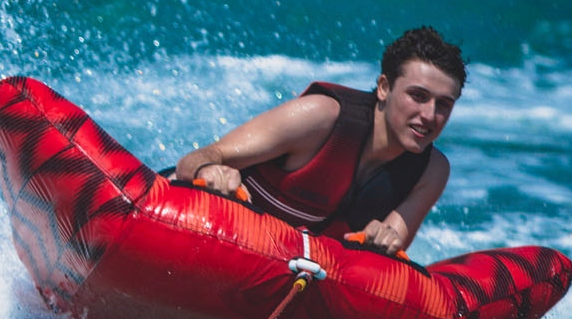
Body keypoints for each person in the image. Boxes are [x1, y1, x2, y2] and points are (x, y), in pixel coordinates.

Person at [168, 27, 464, 255]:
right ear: (384, 87)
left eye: (443, 104)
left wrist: (383, 239)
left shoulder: (431, 171)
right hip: (203, 229)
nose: (429, 115)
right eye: (418, 96)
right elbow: (197, 158)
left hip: (288, 267)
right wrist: (209, 170)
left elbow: (390, 247)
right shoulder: (321, 118)